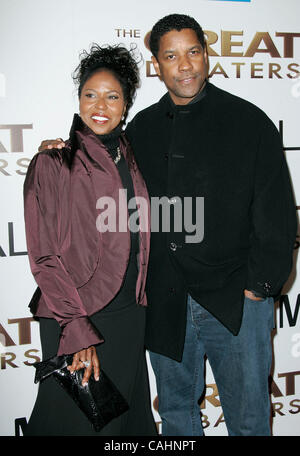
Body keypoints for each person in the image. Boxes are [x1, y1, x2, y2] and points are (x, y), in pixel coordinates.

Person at [39, 14, 297, 436]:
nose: (185, 65)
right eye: (171, 56)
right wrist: (62, 150)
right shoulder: (140, 128)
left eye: (193, 52)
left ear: (206, 55)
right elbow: (100, 164)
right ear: (157, 65)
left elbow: (277, 213)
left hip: (235, 301)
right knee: (176, 415)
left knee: (249, 419)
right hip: (165, 303)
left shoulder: (249, 121)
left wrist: (259, 288)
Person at [23, 43, 157, 436]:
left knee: (126, 425)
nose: (100, 105)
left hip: (128, 316)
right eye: (90, 94)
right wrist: (77, 329)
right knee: (72, 424)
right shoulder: (52, 162)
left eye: (112, 96)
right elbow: (44, 257)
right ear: (79, 99)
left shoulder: (133, 156)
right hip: (77, 316)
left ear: (126, 104)